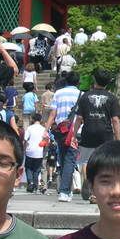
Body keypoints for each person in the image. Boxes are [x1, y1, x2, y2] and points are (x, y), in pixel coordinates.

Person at [72, 69, 120, 201]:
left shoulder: (85, 96)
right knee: (103, 162)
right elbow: (115, 120)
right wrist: (118, 139)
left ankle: (89, 181)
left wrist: (73, 135)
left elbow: (78, 118)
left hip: (88, 131)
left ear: (94, 80)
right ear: (108, 83)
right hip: (105, 134)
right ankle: (97, 191)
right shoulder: (112, 98)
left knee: (86, 161)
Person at [45, 71, 82, 202]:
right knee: (70, 160)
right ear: (78, 82)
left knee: (63, 158)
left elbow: (52, 114)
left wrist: (46, 129)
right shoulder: (80, 94)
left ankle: (65, 189)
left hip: (61, 131)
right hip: (75, 131)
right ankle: (65, 191)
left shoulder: (58, 93)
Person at [23, 113, 47, 193]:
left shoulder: (29, 128)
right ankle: (36, 186)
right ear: (40, 120)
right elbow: (47, 140)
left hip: (30, 151)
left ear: (33, 119)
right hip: (39, 151)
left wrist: (24, 149)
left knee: (28, 168)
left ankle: (31, 182)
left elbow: (25, 140)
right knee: (37, 169)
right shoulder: (43, 129)